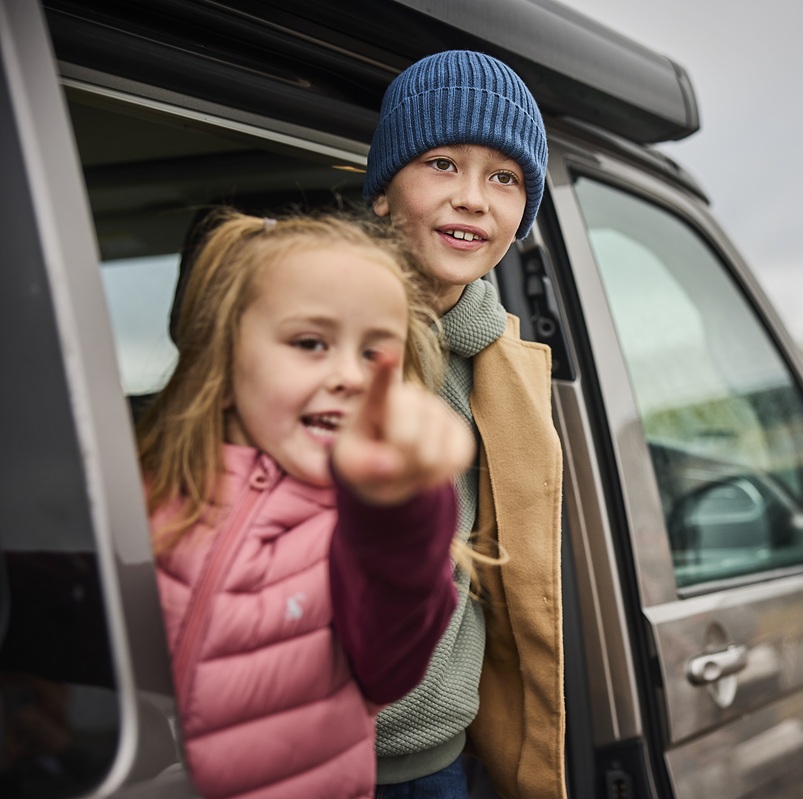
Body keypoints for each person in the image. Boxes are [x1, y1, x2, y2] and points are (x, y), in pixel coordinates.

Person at [137, 211, 475, 799]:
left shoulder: (364, 532)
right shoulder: (150, 491)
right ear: (225, 355)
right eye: (310, 343)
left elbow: (392, 660)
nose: (348, 375)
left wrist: (401, 506)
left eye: (375, 354)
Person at [363, 50, 565, 799]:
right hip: (314, 751)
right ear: (384, 193)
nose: (473, 199)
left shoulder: (503, 361)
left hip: (442, 754)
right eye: (443, 163)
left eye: (504, 177)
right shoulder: (324, 341)